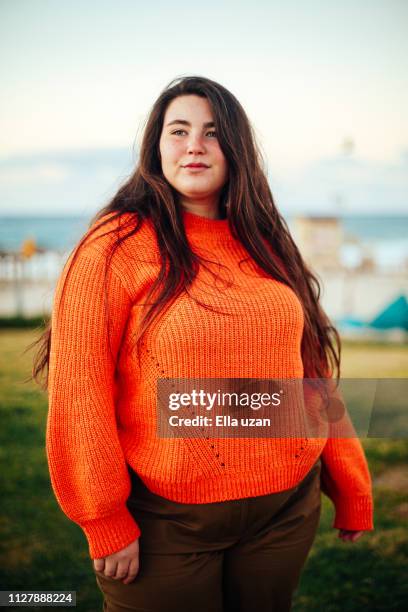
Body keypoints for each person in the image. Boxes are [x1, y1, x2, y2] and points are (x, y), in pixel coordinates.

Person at [33, 75, 374, 612]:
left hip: (284, 512)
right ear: (156, 147)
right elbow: (80, 388)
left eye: (213, 133)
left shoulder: (267, 243)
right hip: (167, 521)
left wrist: (350, 481)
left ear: (235, 149)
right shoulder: (114, 246)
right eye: (179, 130)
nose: (195, 144)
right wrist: (104, 516)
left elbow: (307, 373)